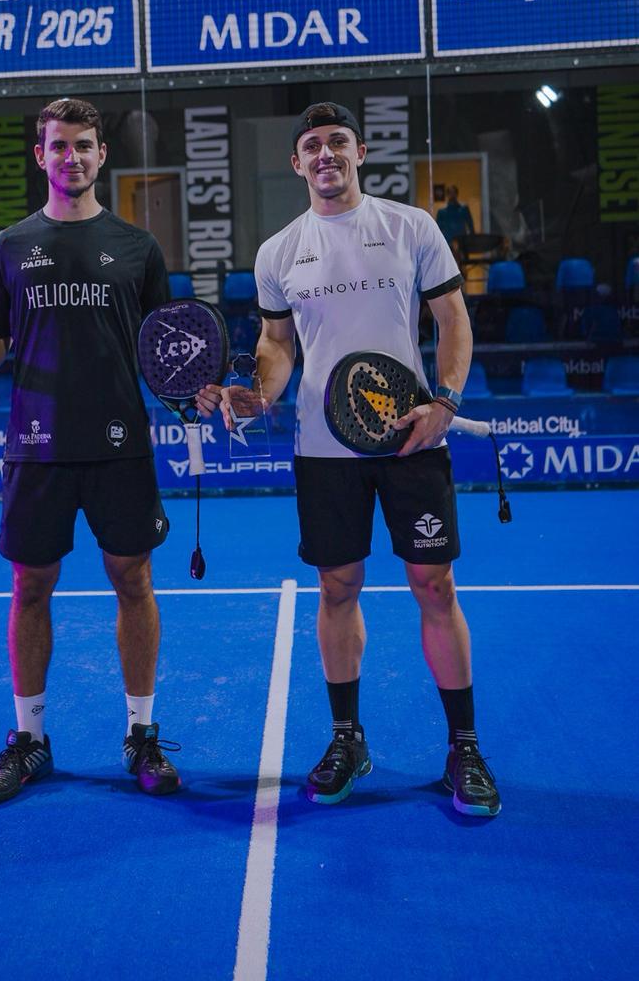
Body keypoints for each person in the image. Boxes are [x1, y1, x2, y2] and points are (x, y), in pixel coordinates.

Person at [215, 102, 500, 817]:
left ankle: (464, 747)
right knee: (337, 587)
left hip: (410, 440)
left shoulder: (411, 227)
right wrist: (259, 394)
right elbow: (277, 344)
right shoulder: (279, 251)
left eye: (337, 141)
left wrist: (445, 400)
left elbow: (452, 319)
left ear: (361, 151)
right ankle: (348, 738)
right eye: (312, 145)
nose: (326, 154)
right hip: (323, 449)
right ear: (296, 163)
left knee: (435, 586)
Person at [0, 97, 181, 803]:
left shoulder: (139, 248)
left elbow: (165, 349)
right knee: (31, 586)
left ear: (102, 155)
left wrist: (199, 391)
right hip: (36, 446)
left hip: (119, 445)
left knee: (133, 582)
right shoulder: (9, 247)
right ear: (41, 156)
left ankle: (141, 734)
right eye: (59, 146)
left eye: (83, 145)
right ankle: (30, 740)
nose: (72, 156)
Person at [436, 184, 475, 261]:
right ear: (447, 195)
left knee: (463, 262)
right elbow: (438, 229)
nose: (452, 195)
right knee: (449, 263)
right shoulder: (441, 212)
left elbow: (470, 224)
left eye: (454, 193)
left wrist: (471, 239)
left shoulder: (464, 209)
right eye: (450, 193)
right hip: (448, 242)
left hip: (462, 242)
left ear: (457, 194)